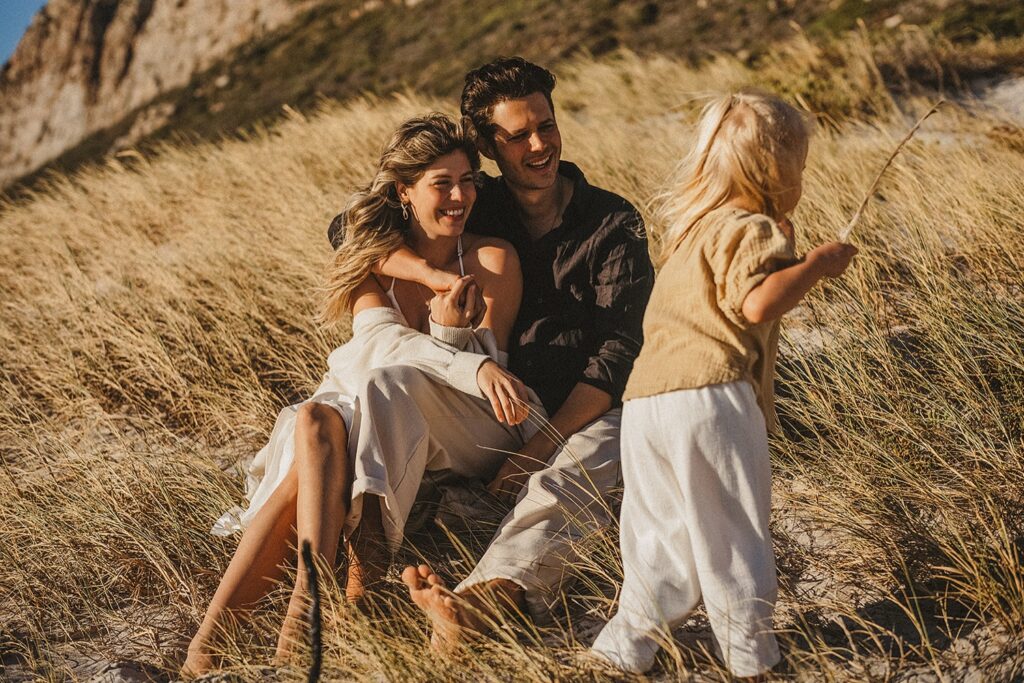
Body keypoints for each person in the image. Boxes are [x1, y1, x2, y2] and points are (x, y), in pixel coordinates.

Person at [182, 113, 539, 677]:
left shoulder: (493, 258)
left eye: (467, 179)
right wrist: (441, 308)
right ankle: (246, 632)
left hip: (474, 425)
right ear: (404, 191)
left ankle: (332, 594)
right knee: (318, 419)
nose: (460, 195)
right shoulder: (369, 260)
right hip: (378, 414)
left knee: (374, 389)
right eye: (441, 183)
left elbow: (486, 383)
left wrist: (452, 339)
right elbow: (379, 340)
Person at [331, 57, 655, 641]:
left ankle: (482, 603)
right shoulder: (476, 199)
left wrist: (533, 453)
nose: (540, 145)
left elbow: (616, 357)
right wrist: (431, 279)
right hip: (490, 407)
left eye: (547, 126)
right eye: (518, 135)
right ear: (486, 145)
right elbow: (345, 231)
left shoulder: (611, 223)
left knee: (563, 480)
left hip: (585, 412)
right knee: (388, 385)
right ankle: (366, 576)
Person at [588, 91, 857, 678]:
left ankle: (624, 648)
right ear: (776, 171)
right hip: (711, 395)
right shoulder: (754, 229)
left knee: (658, 536)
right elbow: (756, 304)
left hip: (645, 404)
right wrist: (815, 265)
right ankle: (751, 656)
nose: (802, 180)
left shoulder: (691, 234)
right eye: (801, 169)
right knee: (733, 531)